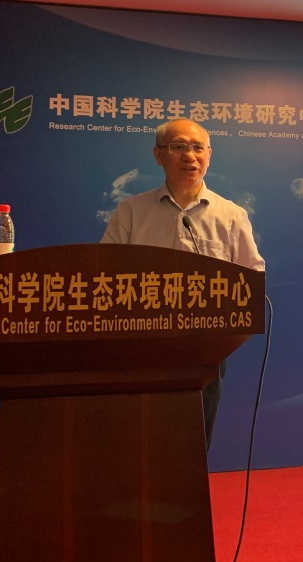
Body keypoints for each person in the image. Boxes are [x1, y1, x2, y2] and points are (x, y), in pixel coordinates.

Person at [101, 118, 265, 447]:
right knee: (141, 441)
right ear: (158, 155)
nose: (190, 156)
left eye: (197, 148)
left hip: (205, 349)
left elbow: (252, 280)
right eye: (178, 147)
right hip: (143, 347)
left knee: (193, 443)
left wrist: (225, 338)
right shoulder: (131, 211)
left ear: (209, 156)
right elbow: (105, 276)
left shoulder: (231, 215)